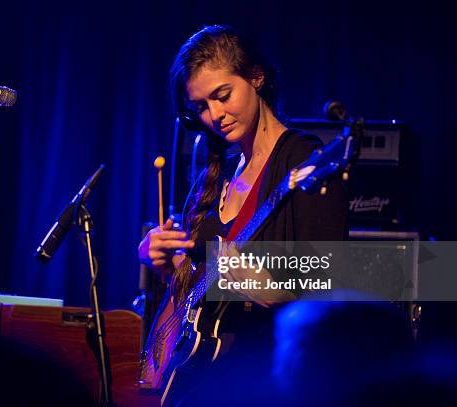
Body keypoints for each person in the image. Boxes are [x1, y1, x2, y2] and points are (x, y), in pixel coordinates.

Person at [137, 24, 348, 402]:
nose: (214, 115)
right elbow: (196, 299)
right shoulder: (212, 179)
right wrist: (165, 266)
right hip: (207, 381)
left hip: (271, 383)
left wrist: (278, 292)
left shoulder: (301, 161)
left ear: (256, 77)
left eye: (222, 96)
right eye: (201, 106)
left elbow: (333, 282)